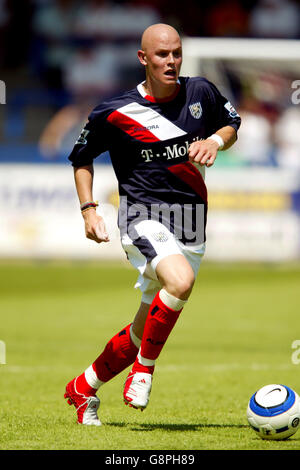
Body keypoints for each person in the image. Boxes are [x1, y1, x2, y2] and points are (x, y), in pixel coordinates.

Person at [64, 23, 241, 426]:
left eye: (176, 53)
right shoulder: (114, 111)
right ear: (143, 58)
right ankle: (144, 370)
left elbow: (232, 124)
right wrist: (89, 209)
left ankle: (82, 387)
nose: (172, 61)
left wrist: (215, 141)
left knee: (142, 329)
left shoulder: (201, 92)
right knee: (179, 283)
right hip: (141, 216)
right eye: (162, 55)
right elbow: (80, 158)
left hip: (192, 219)